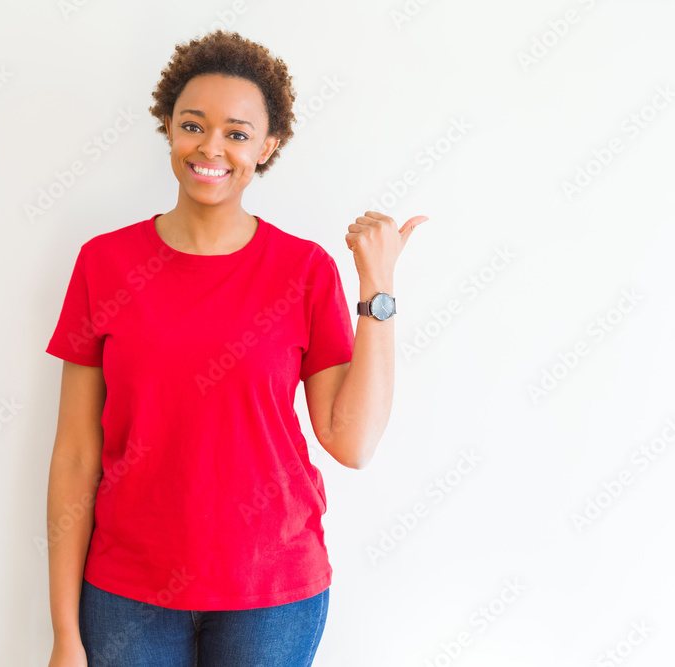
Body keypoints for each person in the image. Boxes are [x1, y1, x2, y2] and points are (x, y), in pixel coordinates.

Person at [44, 30, 427, 667]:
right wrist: (64, 634)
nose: (211, 148)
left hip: (273, 595)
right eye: (193, 125)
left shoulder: (304, 271)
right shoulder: (104, 263)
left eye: (238, 133)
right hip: (126, 593)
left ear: (267, 146)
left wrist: (377, 288)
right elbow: (76, 455)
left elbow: (351, 442)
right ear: (168, 127)